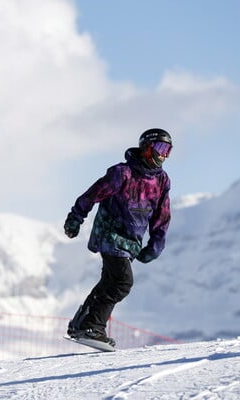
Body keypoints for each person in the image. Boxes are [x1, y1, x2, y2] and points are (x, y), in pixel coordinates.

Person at [63, 128, 172, 346]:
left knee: (110, 281)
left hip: (131, 242)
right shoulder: (122, 173)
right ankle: (92, 327)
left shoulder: (161, 181)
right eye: (160, 148)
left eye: (168, 150)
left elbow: (162, 214)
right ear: (146, 148)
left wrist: (156, 245)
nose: (163, 155)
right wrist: (76, 218)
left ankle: (81, 324)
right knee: (122, 282)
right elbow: (92, 195)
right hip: (109, 233)